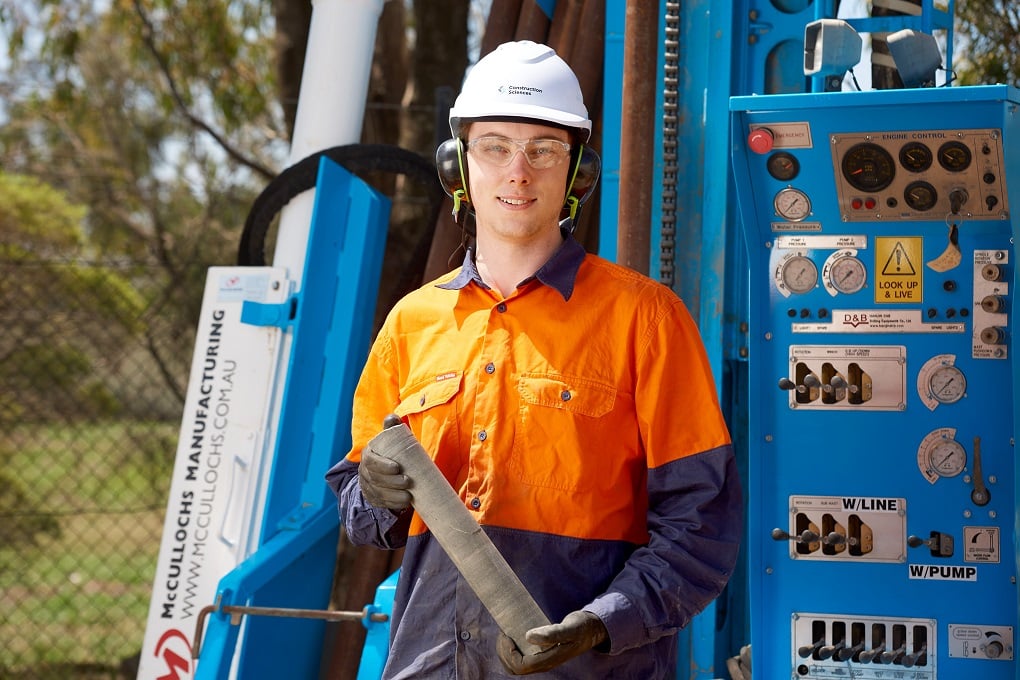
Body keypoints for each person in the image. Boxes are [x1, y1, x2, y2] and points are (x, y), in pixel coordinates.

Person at [326, 40, 742, 679]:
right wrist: (376, 493)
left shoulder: (646, 321)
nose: (517, 171)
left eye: (543, 150)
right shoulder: (412, 323)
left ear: (577, 174)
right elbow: (361, 516)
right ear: (458, 169)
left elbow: (700, 526)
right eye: (494, 146)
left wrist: (604, 621)